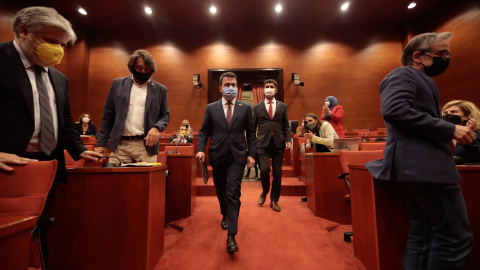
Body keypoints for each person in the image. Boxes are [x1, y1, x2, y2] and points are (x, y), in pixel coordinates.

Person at [0, 6, 102, 264]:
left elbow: (65, 122)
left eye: (63, 45)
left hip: (47, 165)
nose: (58, 50)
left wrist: (79, 149)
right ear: (24, 31)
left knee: (38, 230)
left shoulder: (59, 78)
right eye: (51, 41)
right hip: (7, 165)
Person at [365, 32, 475, 269]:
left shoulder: (419, 79)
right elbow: (394, 110)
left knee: (424, 234)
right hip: (425, 168)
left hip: (418, 168)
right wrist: (449, 129)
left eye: (448, 53)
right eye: (441, 53)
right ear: (417, 56)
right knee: (454, 238)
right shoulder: (403, 74)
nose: (446, 58)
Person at [196, 72, 256, 254]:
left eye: (233, 84)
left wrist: (252, 154)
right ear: (220, 88)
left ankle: (231, 235)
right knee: (221, 190)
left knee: (233, 192)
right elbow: (204, 131)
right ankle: (224, 213)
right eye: (227, 84)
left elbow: (251, 134)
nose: (231, 87)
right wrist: (200, 149)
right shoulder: (211, 108)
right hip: (217, 155)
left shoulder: (245, 108)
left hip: (238, 157)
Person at [95, 49, 170, 165]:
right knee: (116, 182)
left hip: (146, 147)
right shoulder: (117, 84)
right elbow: (108, 115)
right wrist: (101, 143)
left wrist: (156, 128)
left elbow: (165, 115)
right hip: (120, 146)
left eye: (147, 69)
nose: (143, 71)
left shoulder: (160, 90)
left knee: (146, 183)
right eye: (139, 68)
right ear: (132, 67)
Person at [253, 79, 291, 212]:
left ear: (276, 90)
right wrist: (252, 145)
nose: (269, 89)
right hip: (262, 143)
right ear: (263, 90)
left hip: (278, 142)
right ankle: (264, 191)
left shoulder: (282, 106)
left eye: (271, 87)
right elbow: (252, 128)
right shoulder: (257, 107)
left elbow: (286, 125)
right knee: (264, 170)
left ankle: (274, 200)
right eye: (267, 87)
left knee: (278, 173)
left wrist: (289, 139)